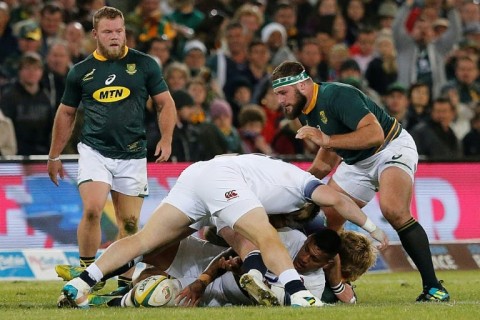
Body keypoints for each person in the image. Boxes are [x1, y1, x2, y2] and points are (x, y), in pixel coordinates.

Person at [58, 153, 388, 309]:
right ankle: (296, 294)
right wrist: (374, 228)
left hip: (198, 174)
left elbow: (226, 229)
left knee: (144, 239)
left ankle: (81, 282)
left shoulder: (273, 176)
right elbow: (339, 203)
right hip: (223, 180)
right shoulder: (304, 187)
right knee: (267, 236)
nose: (287, 220)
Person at [271, 60, 450, 302]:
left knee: (393, 210)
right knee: (330, 217)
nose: (280, 101)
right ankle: (334, 287)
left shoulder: (338, 95)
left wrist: (327, 140)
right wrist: (294, 185)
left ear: (302, 85)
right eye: (277, 95)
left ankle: (434, 288)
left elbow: (374, 135)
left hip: (390, 146)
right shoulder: (306, 111)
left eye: (283, 93)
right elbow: (325, 162)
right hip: (357, 162)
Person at [47, 6, 176, 295]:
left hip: (132, 154)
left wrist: (166, 138)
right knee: (93, 209)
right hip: (95, 151)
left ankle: (123, 287)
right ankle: (85, 273)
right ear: (95, 34)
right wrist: (54, 155)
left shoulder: (145, 65)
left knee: (129, 226)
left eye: (119, 31)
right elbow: (66, 114)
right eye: (108, 32)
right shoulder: (80, 72)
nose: (115, 36)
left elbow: (165, 103)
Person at [84, 227, 376, 308]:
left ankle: (113, 300)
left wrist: (337, 283)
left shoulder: (320, 288)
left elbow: (350, 301)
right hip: (211, 264)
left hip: (217, 294)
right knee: (153, 246)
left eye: (317, 260)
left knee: (156, 290)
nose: (305, 259)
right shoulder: (293, 239)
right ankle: (90, 277)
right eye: (308, 251)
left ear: (331, 264)